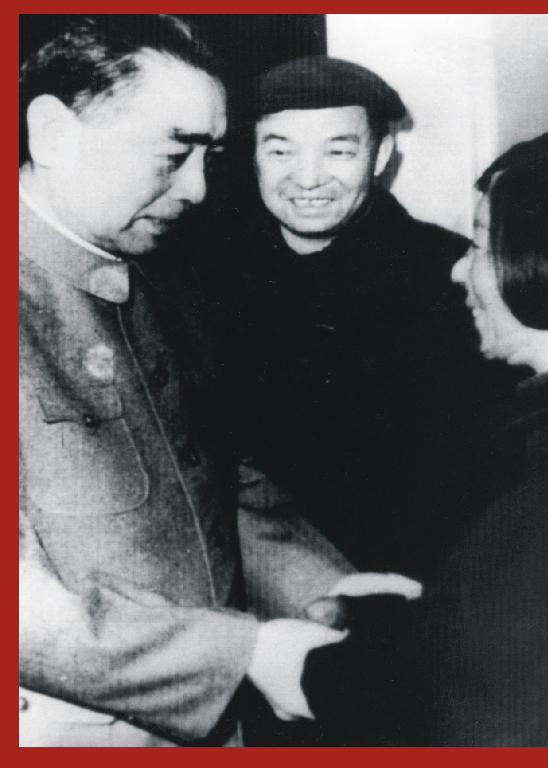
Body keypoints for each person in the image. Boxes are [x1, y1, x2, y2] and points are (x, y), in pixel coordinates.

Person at [18, 16, 418, 747]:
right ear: (52, 134)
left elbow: (211, 477)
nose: (198, 188)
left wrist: (320, 587)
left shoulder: (154, 281)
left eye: (210, 155)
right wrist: (245, 654)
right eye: (174, 154)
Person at [302, 127, 548, 746]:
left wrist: (301, 668)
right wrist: (425, 608)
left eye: (482, 243)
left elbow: (478, 711)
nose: (461, 268)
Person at [223, 54, 518, 577]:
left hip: (403, 584)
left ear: (380, 156)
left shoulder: (449, 276)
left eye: (338, 151)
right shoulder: (205, 267)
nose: (307, 178)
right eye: (280, 150)